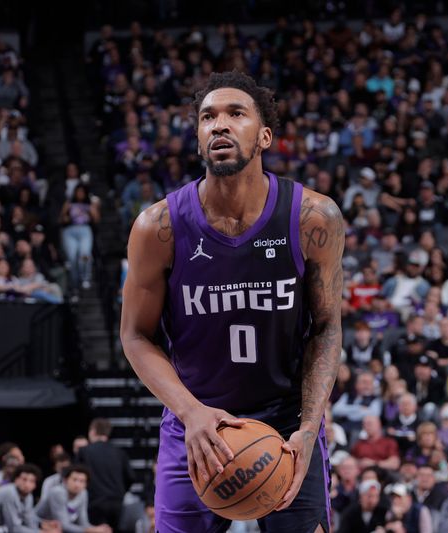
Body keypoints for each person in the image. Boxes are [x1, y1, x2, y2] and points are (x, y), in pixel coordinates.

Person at [120, 71, 344, 533]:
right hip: (195, 424)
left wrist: (309, 426)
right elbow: (135, 335)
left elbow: (326, 327)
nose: (219, 124)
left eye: (235, 114)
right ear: (198, 138)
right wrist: (190, 412)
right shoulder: (156, 228)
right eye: (208, 117)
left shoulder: (313, 218)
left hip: (286, 425)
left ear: (264, 136)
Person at [75, 419, 133, 530]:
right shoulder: (120, 453)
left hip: (93, 502)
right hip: (116, 502)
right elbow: (130, 477)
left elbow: (77, 475)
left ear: (92, 431)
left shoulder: (84, 451)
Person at [35, 465, 112, 533]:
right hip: (39, 525)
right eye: (74, 480)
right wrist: (92, 530)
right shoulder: (57, 492)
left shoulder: (83, 493)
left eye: (82, 481)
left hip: (61, 528)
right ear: (65, 480)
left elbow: (83, 522)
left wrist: (99, 529)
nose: (77, 484)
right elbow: (63, 525)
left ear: (86, 484)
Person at [0, 464, 62, 532]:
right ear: (16, 480)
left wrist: (43, 524)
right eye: (24, 479)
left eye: (32, 481)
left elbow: (29, 519)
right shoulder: (9, 492)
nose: (27, 484)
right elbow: (13, 528)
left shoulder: (29, 496)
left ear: (35, 485)